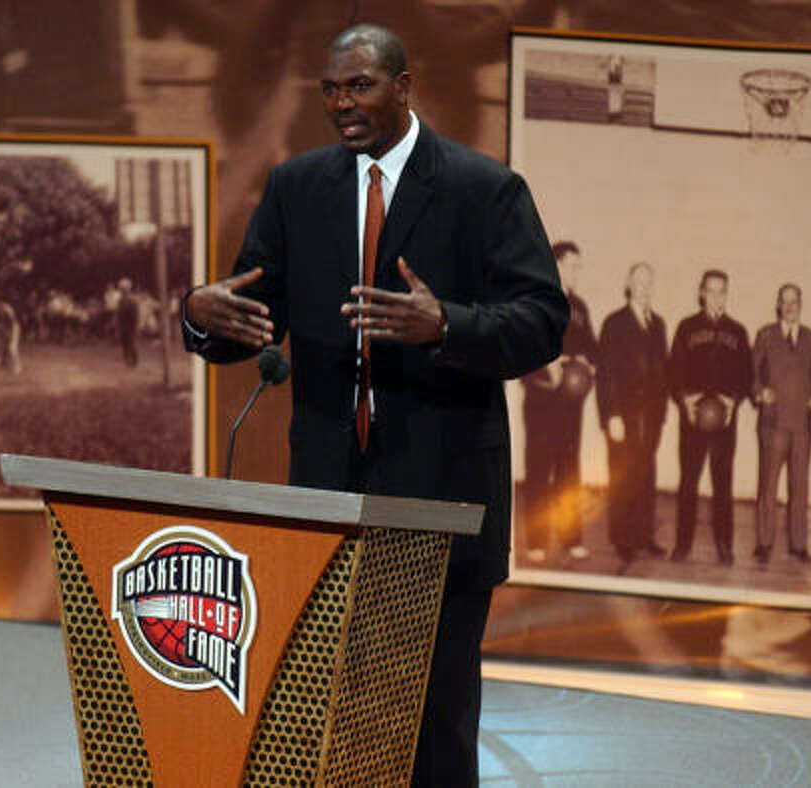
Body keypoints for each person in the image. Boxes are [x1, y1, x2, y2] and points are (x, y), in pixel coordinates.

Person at [179, 24, 567, 787]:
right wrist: (198, 311)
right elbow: (248, 315)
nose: (340, 104)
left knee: (434, 725)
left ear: (403, 86)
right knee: (324, 712)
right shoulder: (298, 187)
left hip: (442, 495)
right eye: (330, 89)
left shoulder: (483, 188)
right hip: (328, 493)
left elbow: (543, 321)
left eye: (358, 86)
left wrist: (448, 324)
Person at [668, 270, 752, 565]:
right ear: (701, 292)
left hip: (725, 422)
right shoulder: (686, 327)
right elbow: (673, 371)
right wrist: (684, 399)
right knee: (688, 482)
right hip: (692, 420)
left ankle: (724, 544)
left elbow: (747, 377)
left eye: (722, 291)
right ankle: (682, 544)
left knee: (723, 484)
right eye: (711, 290)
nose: (717, 296)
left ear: (727, 294)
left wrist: (734, 400)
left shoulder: (738, 331)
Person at [520, 240, 597, 562]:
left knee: (569, 470)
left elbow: (592, 348)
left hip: (570, 404)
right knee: (539, 470)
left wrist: (583, 361)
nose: (578, 271)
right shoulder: (536, 301)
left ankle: (571, 539)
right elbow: (521, 348)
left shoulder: (579, 306)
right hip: (542, 400)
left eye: (580, 266)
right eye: (573, 265)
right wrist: (548, 364)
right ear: (557, 265)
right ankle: (536, 541)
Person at [596, 262, 669, 562]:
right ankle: (622, 538)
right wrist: (611, 415)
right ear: (628, 283)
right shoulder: (614, 323)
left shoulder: (659, 324)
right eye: (638, 281)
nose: (644, 287)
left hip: (651, 418)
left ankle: (644, 535)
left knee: (646, 474)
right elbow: (607, 373)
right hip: (622, 417)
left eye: (648, 282)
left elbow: (662, 373)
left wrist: (661, 414)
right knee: (623, 476)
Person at [751, 284, 811, 565]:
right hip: (773, 424)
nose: (790, 307)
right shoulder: (765, 335)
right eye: (784, 302)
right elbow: (752, 372)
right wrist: (760, 392)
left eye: (794, 301)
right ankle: (764, 542)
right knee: (768, 486)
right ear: (778, 305)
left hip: (801, 427)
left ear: (801, 304)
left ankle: (799, 544)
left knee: (800, 487)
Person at [115, 278, 141, 368]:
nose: (122, 290)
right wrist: (118, 325)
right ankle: (127, 361)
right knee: (124, 343)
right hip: (123, 325)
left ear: (128, 289)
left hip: (131, 325)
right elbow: (118, 313)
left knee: (132, 343)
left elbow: (136, 314)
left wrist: (136, 326)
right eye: (121, 288)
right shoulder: (120, 300)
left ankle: (134, 361)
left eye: (123, 288)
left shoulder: (132, 300)